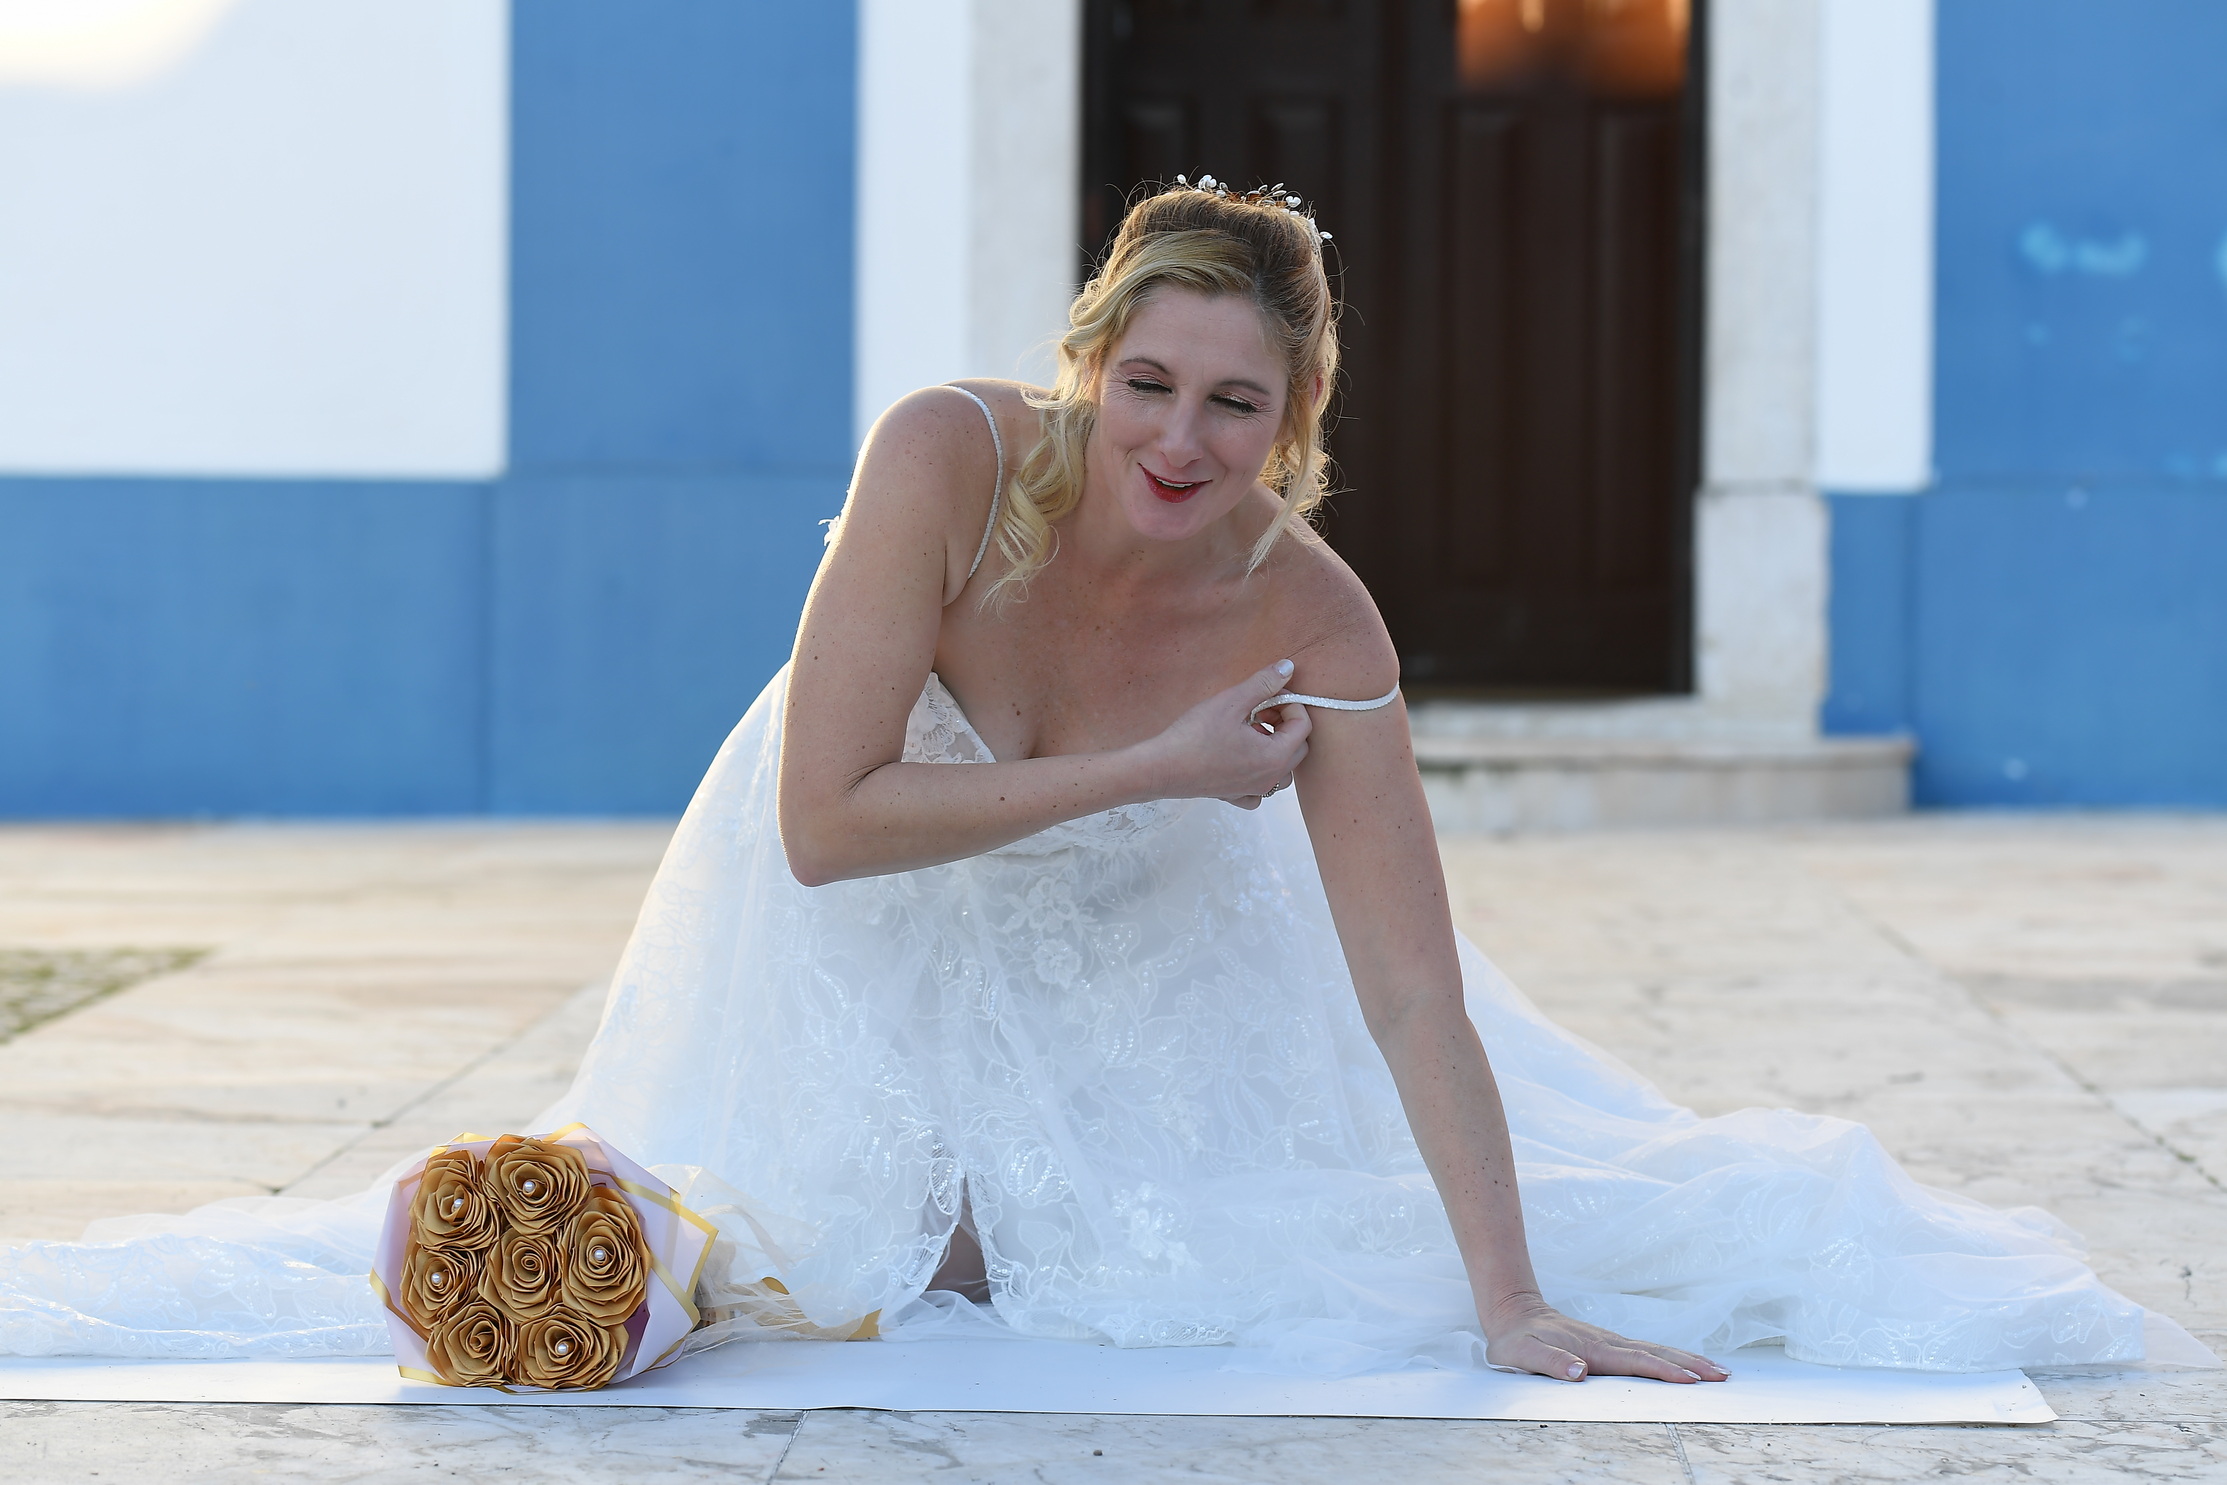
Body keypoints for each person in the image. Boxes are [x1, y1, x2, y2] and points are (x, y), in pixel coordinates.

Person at [0, 182, 2182, 1378]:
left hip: (1119, 975)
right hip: (836, 936)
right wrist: (1150, 767)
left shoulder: (1317, 619)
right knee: (827, 1239)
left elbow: (1409, 983)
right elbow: (827, 825)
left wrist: (1510, 1296)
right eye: (1147, 380)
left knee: (1096, 1260)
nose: (1179, 439)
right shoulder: (946, 462)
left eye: (1237, 404)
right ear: (1085, 364)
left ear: (1298, 419)